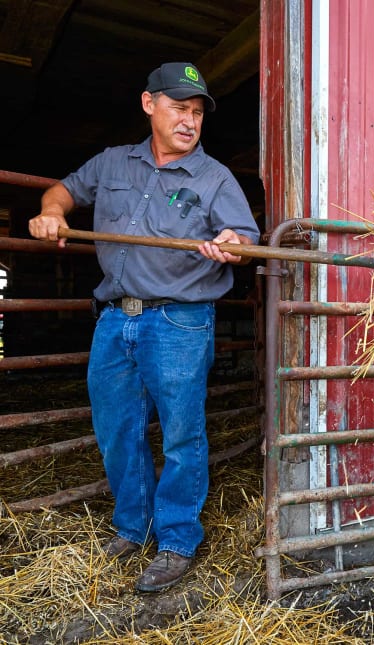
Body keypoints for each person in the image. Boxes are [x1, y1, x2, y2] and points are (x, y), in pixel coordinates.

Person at [28, 62, 260, 593]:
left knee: (183, 433)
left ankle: (177, 540)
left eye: (198, 112)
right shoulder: (112, 163)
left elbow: (243, 240)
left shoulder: (214, 177)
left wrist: (230, 244)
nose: (189, 121)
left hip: (179, 319)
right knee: (117, 431)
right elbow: (63, 192)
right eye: (179, 108)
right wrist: (49, 213)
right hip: (114, 318)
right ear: (148, 103)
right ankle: (135, 526)